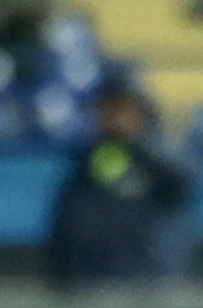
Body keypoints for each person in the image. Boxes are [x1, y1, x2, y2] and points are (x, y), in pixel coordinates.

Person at [43, 82, 192, 288]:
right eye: (109, 112)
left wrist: (135, 149)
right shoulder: (83, 167)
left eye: (123, 111)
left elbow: (177, 193)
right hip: (93, 282)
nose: (116, 119)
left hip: (145, 280)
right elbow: (68, 228)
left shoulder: (154, 163)